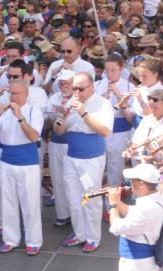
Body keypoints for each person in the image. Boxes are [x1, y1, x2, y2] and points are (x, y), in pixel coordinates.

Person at [55, 72, 113, 253]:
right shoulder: (72, 102)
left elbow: (105, 131)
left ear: (92, 87)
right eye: (75, 88)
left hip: (91, 159)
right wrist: (62, 116)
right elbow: (59, 132)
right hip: (72, 157)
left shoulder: (103, 104)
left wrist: (83, 113)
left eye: (81, 88)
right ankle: (79, 234)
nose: (77, 92)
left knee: (91, 198)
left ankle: (93, 238)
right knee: (73, 198)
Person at [105, 163, 163, 271]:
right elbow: (131, 212)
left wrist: (113, 204)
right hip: (143, 262)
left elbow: (115, 227)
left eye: (134, 180)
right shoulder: (153, 199)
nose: (130, 182)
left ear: (143, 185)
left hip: (136, 264)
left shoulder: (147, 208)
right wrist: (119, 201)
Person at [0, 80, 44, 255]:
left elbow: (34, 136)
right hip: (7, 161)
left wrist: (20, 117)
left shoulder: (34, 111)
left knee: (30, 204)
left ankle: (34, 241)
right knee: (8, 202)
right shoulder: (4, 112)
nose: (14, 97)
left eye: (18, 93)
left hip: (28, 163)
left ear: (26, 94)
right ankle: (10, 239)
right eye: (12, 93)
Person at [96, 54, 135, 190]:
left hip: (120, 132)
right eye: (107, 70)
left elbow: (131, 116)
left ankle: (112, 204)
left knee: (115, 170)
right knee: (97, 168)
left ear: (121, 68)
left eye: (113, 70)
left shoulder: (130, 87)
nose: (109, 74)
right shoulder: (98, 85)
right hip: (100, 131)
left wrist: (118, 95)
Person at [44, 70, 76, 227]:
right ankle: (63, 213)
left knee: (73, 180)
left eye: (67, 83)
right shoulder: (54, 98)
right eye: (62, 84)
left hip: (72, 142)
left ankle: (76, 213)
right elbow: (48, 115)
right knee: (57, 178)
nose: (64, 87)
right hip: (56, 141)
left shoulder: (79, 98)